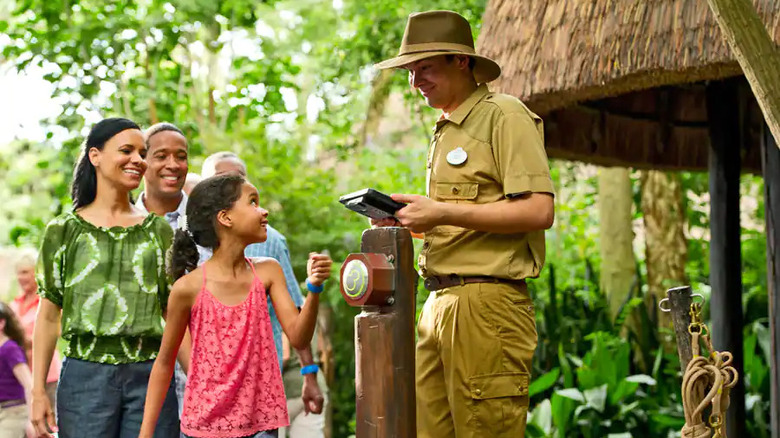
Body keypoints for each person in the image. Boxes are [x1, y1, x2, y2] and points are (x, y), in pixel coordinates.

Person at [373, 10, 555, 438]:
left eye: (425, 68)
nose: (416, 82)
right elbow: (464, 219)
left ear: (461, 61)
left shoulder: (504, 115)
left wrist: (442, 211)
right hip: (438, 302)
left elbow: (538, 211)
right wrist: (414, 222)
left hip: (487, 306)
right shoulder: (446, 128)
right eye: (410, 72)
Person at [138, 174, 332, 438]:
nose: (263, 211)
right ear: (225, 218)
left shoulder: (268, 272)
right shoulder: (187, 288)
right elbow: (164, 363)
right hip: (204, 428)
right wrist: (146, 434)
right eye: (252, 202)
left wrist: (314, 288)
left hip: (261, 426)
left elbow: (298, 335)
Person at [30, 118, 180, 438]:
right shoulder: (63, 231)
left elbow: (173, 312)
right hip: (83, 379)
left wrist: (200, 382)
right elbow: (47, 316)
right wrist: (38, 391)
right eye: (127, 150)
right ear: (95, 156)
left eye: (142, 153)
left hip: (150, 376)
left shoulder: (159, 232)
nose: (138, 160)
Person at [202, 152, 326, 420]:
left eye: (239, 183)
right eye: (221, 181)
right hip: (210, 397)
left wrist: (309, 374)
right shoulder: (188, 253)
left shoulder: (270, 247)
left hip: (261, 386)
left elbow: (294, 317)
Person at [9, 250, 61, 411]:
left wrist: (13, 342)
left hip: (47, 375)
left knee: (47, 426)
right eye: (18, 273)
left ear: (36, 273)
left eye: (25, 272)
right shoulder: (14, 304)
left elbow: (53, 333)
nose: (20, 278)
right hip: (19, 375)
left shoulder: (47, 304)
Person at [0, 302, 34, 438]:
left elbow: (28, 384)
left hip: (13, 412)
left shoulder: (9, 349)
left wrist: (32, 421)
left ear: (1, 323)